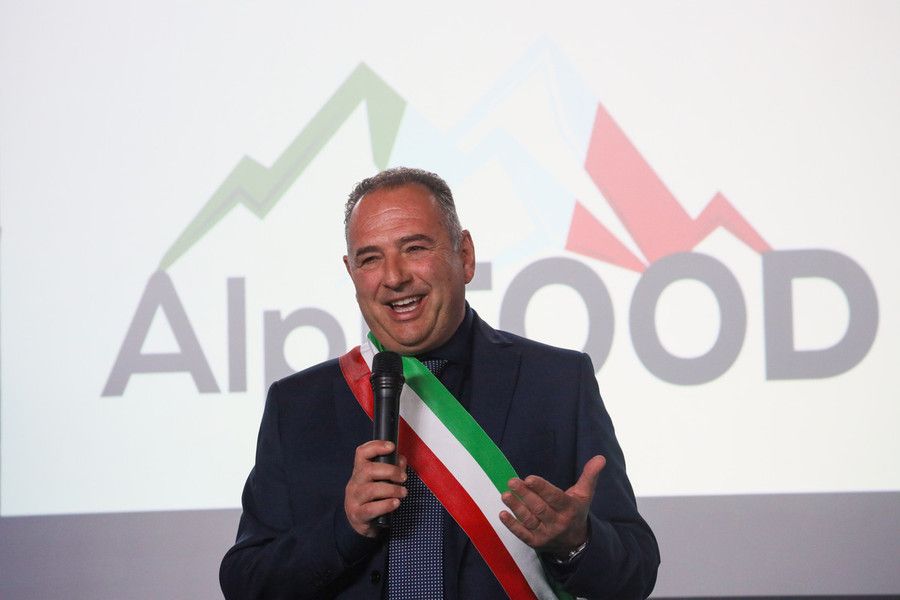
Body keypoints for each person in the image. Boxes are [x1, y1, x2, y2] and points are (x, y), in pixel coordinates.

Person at [220, 167, 659, 599]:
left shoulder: (557, 382)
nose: (394, 277)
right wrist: (344, 528)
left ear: (464, 255)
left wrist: (575, 542)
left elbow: (635, 574)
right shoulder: (297, 405)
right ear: (351, 272)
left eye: (414, 248)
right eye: (370, 258)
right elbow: (244, 582)